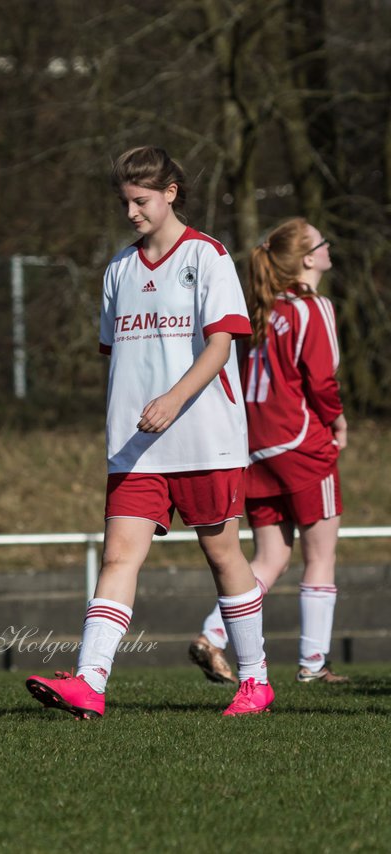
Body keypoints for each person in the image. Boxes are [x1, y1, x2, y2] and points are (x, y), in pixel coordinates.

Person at [26, 146, 273, 718]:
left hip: (205, 436)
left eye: (141, 201)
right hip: (136, 449)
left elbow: (221, 344)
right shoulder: (119, 268)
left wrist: (173, 399)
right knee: (118, 557)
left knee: (222, 554)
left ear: (171, 193)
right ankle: (89, 682)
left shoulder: (209, 257)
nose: (132, 212)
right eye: (125, 203)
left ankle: (255, 681)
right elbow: (115, 354)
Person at [188, 217, 348, 685]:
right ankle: (313, 664)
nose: (328, 247)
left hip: (254, 445)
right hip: (300, 442)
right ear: (307, 259)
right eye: (323, 242)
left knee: (269, 557)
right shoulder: (311, 306)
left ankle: (212, 634)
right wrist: (336, 419)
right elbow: (320, 380)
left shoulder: (264, 307)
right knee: (320, 555)